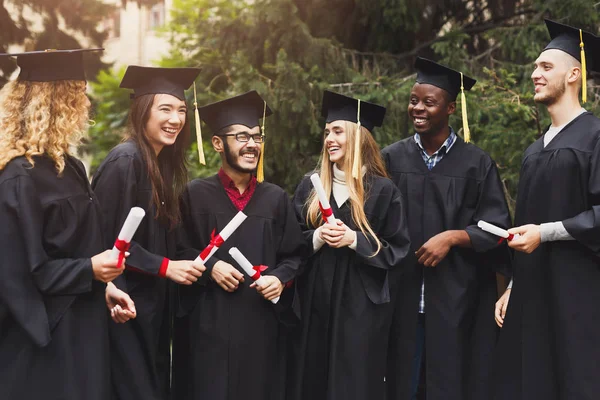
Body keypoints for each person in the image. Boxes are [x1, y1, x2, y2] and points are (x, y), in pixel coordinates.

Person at [0, 48, 132, 400]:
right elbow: (21, 274)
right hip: (46, 338)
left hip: (85, 323)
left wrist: (103, 286)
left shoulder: (69, 167)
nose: (85, 102)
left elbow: (78, 246)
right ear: (55, 101)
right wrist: (88, 270)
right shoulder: (18, 177)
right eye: (77, 92)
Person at [382, 57, 512, 400]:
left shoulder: (476, 163)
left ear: (451, 107)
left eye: (429, 102)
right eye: (413, 101)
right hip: (401, 303)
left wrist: (454, 237)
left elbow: (499, 229)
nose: (418, 108)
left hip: (458, 305)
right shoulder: (391, 160)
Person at [171, 90, 307, 400]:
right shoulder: (194, 195)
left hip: (261, 329)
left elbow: (296, 256)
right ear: (218, 143)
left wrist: (280, 278)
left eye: (257, 137)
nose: (252, 144)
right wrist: (210, 266)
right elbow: (178, 251)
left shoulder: (276, 199)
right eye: (242, 136)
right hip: (208, 329)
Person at [492, 20, 600, 400]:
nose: (535, 74)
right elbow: (526, 225)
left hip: (580, 296)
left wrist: (547, 232)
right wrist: (514, 285)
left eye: (545, 67)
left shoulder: (595, 137)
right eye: (535, 68)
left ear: (575, 73)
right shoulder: (533, 151)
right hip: (533, 296)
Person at [91, 65, 205, 400]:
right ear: (143, 111)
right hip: (124, 309)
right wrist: (166, 266)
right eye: (165, 108)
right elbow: (107, 242)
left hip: (150, 309)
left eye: (181, 110)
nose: (176, 119)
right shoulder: (125, 162)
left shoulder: (158, 166)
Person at [290, 90, 411, 400]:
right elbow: (289, 244)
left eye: (338, 131)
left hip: (360, 308)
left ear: (358, 138)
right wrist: (317, 237)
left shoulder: (383, 191)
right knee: (313, 377)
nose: (329, 138)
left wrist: (353, 239)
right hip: (315, 301)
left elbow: (397, 250)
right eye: (327, 131)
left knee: (353, 383)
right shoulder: (310, 186)